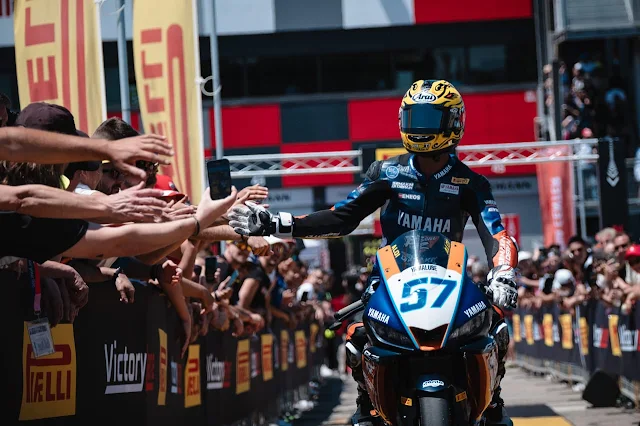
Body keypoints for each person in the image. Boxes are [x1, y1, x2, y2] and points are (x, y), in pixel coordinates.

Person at [229, 79, 518, 425]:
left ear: (454, 123)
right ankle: (367, 405)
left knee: (495, 324)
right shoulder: (387, 172)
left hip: (449, 281)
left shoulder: (471, 183)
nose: (419, 129)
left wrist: (504, 273)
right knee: (358, 336)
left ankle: (493, 402)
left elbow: (496, 235)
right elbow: (342, 218)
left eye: (428, 119)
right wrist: (276, 223)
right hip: (391, 281)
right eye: (413, 119)